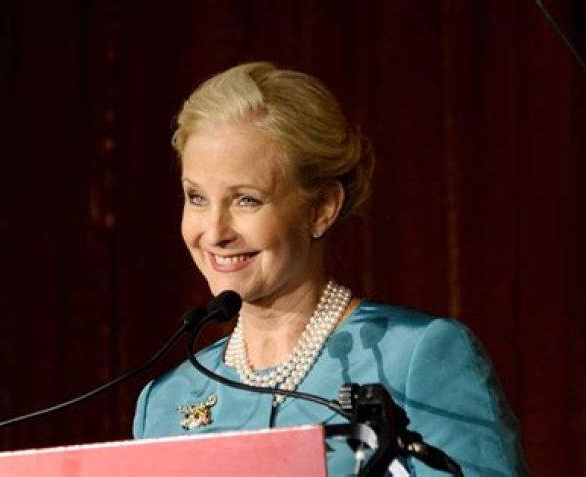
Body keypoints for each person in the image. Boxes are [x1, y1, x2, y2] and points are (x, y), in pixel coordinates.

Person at [132, 62, 528, 476]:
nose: (214, 232)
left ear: (322, 208)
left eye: (247, 200)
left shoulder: (418, 357)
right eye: (196, 198)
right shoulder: (163, 404)